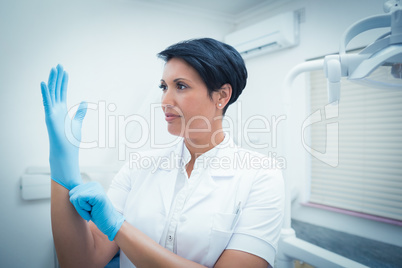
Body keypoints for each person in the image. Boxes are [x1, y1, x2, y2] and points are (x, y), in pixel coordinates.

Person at [41, 38, 284, 268]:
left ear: (222, 96)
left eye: (180, 86)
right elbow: (80, 261)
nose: (165, 100)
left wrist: (118, 227)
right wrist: (63, 164)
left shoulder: (261, 176)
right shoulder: (139, 165)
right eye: (163, 87)